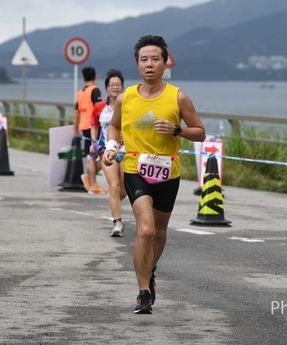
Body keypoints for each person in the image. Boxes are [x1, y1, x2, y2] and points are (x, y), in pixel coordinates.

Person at [102, 35, 205, 314]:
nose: (149, 64)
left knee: (159, 233)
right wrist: (112, 147)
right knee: (145, 229)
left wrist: (176, 130)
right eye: (144, 59)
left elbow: (200, 132)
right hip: (135, 169)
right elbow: (114, 126)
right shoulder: (126, 97)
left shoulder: (178, 97)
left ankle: (150, 270)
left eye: (155, 59)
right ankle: (143, 292)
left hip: (168, 172)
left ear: (165, 63)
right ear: (137, 64)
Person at [90, 69, 127, 237]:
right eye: (112, 85)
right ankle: (117, 222)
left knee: (124, 190)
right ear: (106, 88)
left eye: (118, 84)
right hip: (107, 151)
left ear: (122, 87)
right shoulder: (99, 108)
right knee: (114, 186)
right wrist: (94, 143)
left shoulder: (129, 105)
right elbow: (93, 125)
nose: (115, 87)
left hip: (126, 152)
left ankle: (114, 203)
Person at [73, 66, 107, 194]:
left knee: (91, 155)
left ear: (83, 78)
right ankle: (92, 183)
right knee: (99, 155)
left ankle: (90, 179)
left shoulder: (80, 93)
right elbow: (99, 108)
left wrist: (76, 130)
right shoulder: (95, 90)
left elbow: (76, 113)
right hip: (94, 126)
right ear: (95, 77)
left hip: (83, 126)